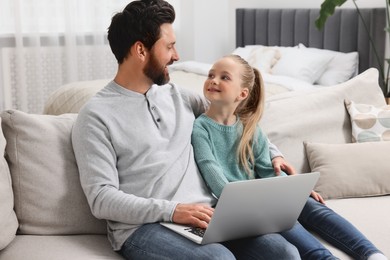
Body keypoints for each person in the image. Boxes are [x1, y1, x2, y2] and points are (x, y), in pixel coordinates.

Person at [72, 0, 301, 259]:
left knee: (284, 253)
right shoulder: (95, 116)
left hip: (207, 215)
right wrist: (172, 210)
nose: (177, 56)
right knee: (219, 259)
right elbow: (101, 198)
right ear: (140, 50)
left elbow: (230, 118)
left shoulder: (178, 96)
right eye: (169, 46)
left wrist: (273, 153)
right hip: (145, 227)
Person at [191, 54, 387, 260]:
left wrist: (292, 191)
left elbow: (268, 171)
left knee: (311, 204)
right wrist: (259, 204)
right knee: (284, 222)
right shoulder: (201, 128)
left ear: (242, 93)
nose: (214, 80)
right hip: (238, 206)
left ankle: (372, 254)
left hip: (263, 196)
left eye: (224, 77)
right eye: (211, 75)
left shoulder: (249, 128)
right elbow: (213, 176)